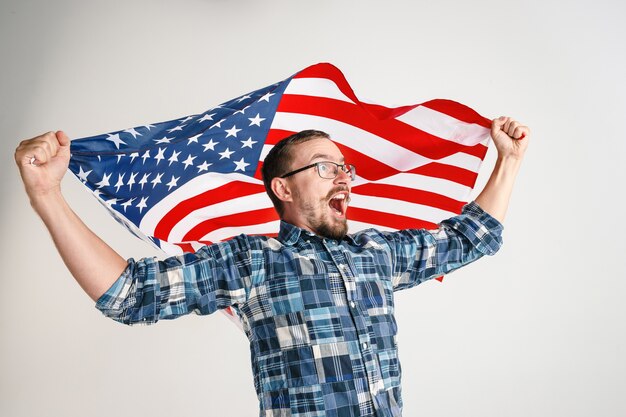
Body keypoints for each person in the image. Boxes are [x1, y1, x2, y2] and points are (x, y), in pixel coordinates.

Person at [15, 117, 529, 417]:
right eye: (326, 168)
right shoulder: (254, 261)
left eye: (345, 169)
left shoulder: (376, 253)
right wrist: (46, 194)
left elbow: (472, 237)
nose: (344, 179)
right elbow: (128, 293)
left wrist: (509, 159)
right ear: (284, 189)